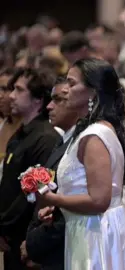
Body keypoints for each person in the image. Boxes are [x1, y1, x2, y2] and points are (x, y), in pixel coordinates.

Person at [38, 58, 125, 270]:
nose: (66, 90)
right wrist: (60, 208)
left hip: (98, 234)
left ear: (93, 92)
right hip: (86, 228)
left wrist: (54, 199)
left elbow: (99, 200)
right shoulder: (88, 130)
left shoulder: (95, 135)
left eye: (71, 83)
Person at [0, 68, 60, 270]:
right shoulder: (19, 135)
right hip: (10, 237)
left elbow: (34, 193)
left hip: (26, 237)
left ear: (37, 100)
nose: (11, 96)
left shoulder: (45, 138)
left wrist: (5, 228)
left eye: (18, 90)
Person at [23, 76, 79, 270]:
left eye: (58, 100)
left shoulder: (79, 147)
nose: (49, 106)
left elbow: (66, 215)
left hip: (63, 254)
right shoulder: (62, 141)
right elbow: (44, 203)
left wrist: (33, 245)